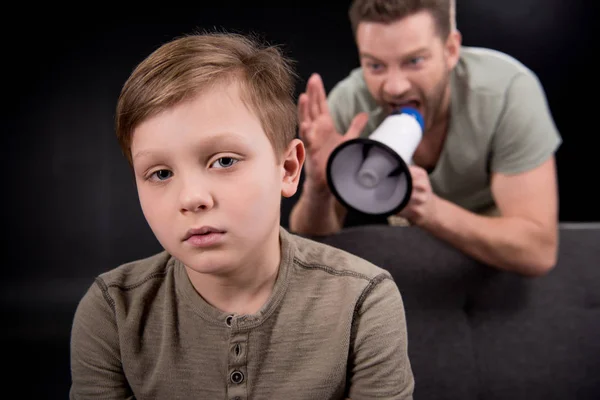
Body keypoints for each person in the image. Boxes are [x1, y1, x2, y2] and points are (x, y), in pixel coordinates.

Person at [69, 31, 414, 399]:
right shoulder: (112, 311)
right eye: (161, 174)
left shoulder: (363, 301)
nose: (191, 198)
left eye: (224, 161)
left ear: (287, 168)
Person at [289, 0, 562, 277]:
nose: (395, 87)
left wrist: (429, 210)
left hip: (495, 271)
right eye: (375, 65)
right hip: (407, 265)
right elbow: (312, 248)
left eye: (415, 61)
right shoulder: (349, 104)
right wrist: (318, 189)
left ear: (451, 50)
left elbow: (537, 251)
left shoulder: (507, 93)